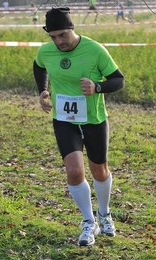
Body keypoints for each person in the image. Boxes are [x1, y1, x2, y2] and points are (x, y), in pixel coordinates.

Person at [33, 7, 125, 246]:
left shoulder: (94, 50)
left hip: (94, 120)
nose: (58, 41)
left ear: (72, 28)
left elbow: (118, 79)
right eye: (52, 37)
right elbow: (39, 65)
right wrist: (42, 89)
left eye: (62, 35)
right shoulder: (46, 51)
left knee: (99, 170)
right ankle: (88, 221)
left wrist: (98, 87)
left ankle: (104, 214)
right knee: (74, 171)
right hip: (64, 120)